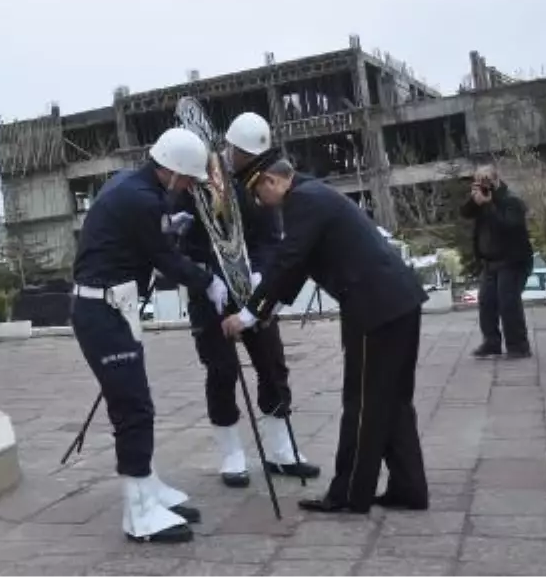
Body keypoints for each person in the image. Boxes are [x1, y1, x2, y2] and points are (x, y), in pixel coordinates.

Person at [229, 157, 429, 514]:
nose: (259, 201)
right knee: (394, 401)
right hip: (398, 300)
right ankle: (409, 487)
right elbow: (301, 264)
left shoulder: (303, 201)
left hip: (374, 308)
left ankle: (349, 493)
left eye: (258, 191)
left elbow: (289, 259)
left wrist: (248, 314)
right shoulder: (314, 194)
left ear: (273, 181)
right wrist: (267, 308)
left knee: (363, 402)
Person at [71, 127, 230, 544]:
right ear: (175, 173)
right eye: (189, 182)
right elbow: (166, 261)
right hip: (102, 310)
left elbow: (143, 241)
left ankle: (149, 486)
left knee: (136, 401)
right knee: (134, 409)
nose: (190, 189)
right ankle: (138, 513)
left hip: (112, 307)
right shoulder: (141, 200)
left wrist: (164, 228)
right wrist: (208, 281)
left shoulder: (129, 182)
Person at [180, 112, 319, 488]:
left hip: (252, 291)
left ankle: (281, 449)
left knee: (272, 364)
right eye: (241, 153)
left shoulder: (259, 183)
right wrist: (207, 277)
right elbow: (183, 245)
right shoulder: (196, 181)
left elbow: (271, 238)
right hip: (209, 292)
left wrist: (259, 274)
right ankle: (231, 453)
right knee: (222, 370)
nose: (247, 161)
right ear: (229, 147)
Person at [460, 164, 533, 359]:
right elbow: (465, 213)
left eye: (486, 180)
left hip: (512, 260)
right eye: (479, 180)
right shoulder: (481, 202)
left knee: (508, 303)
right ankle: (491, 342)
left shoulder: (511, 201)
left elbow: (509, 226)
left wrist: (489, 204)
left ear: (496, 180)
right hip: (490, 262)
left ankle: (518, 345)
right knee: (486, 302)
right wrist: (475, 199)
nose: (483, 184)